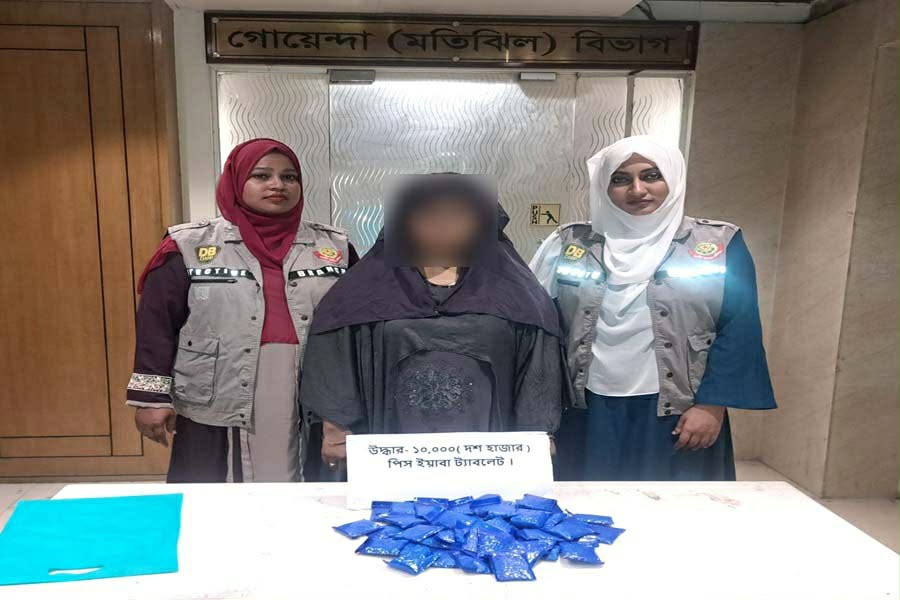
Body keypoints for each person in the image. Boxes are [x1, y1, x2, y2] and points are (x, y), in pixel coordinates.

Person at [529, 135, 776, 481]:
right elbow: (537, 328)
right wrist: (540, 414)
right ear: (603, 185)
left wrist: (711, 406)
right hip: (586, 406)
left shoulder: (718, 244)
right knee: (591, 502)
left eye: (651, 176)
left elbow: (739, 327)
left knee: (671, 505)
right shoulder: (569, 242)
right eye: (620, 179)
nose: (637, 190)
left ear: (672, 178)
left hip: (677, 407)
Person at [299, 174, 565, 477]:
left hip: (487, 451)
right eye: (429, 215)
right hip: (392, 449)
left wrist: (539, 433)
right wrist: (336, 429)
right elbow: (335, 355)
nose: (443, 225)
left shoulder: (514, 287)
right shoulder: (366, 285)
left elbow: (538, 365)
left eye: (458, 215)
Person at [126, 138, 357, 483]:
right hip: (219, 385)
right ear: (236, 180)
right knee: (217, 492)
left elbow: (359, 320)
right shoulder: (189, 245)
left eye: (289, 177)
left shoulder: (334, 246)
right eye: (261, 175)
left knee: (303, 484)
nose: (277, 185)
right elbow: (157, 323)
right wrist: (150, 398)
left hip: (308, 381)